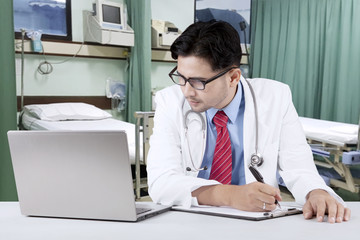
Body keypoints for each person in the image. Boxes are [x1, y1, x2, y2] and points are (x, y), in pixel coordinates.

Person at [146, 20, 351, 223]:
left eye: (198, 82)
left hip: (255, 222)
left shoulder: (275, 97)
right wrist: (229, 195)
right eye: (181, 77)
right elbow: (161, 181)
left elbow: (298, 166)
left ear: (234, 77)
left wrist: (316, 192)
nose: (186, 91)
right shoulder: (170, 101)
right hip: (191, 218)